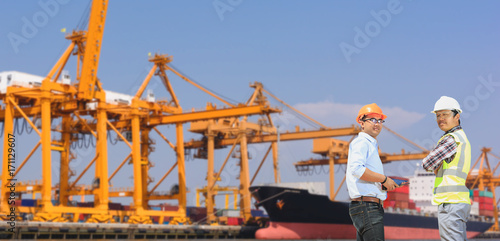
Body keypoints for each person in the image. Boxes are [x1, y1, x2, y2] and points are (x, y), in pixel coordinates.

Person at [422, 96, 471, 240]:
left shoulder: (451, 139)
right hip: (459, 202)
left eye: (445, 114)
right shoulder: (462, 138)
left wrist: (435, 164)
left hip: (450, 203)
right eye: (438, 115)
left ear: (457, 116)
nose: (441, 118)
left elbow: (427, 163)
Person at [347, 103, 398, 241]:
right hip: (367, 207)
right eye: (373, 120)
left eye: (380, 120)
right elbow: (357, 169)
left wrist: (384, 184)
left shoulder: (370, 144)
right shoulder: (362, 142)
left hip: (367, 207)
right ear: (361, 123)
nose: (377, 124)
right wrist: (384, 179)